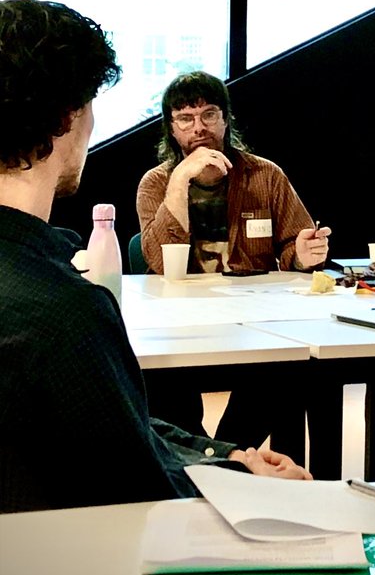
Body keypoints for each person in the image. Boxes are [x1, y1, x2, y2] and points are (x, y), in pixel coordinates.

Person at [0, 0, 311, 513]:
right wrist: (248, 485)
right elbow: (143, 490)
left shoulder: (54, 296)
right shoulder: (67, 314)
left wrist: (228, 457)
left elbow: (120, 426)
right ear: (66, 117)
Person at [136, 71, 331, 448]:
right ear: (171, 129)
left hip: (251, 319)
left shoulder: (265, 175)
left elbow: (294, 244)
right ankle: (209, 457)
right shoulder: (155, 183)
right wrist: (180, 181)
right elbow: (160, 262)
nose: (199, 128)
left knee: (290, 367)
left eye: (209, 114)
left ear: (225, 120)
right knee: (159, 382)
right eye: (185, 119)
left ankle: (226, 453)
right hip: (178, 324)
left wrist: (304, 255)